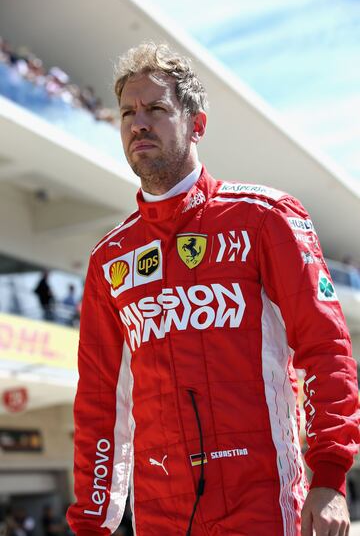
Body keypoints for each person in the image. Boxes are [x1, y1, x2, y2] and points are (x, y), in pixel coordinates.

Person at [66, 42, 359, 536]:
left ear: (196, 124)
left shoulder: (266, 218)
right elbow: (99, 400)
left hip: (263, 503)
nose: (139, 123)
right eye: (127, 113)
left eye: (156, 108)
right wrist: (92, 520)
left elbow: (325, 349)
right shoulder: (108, 260)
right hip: (160, 514)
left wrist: (329, 477)